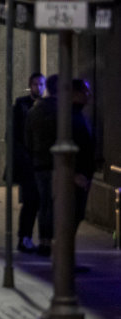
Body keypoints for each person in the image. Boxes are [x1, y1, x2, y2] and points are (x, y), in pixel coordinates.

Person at [26, 75, 58, 257]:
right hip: (53, 163)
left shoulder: (35, 110)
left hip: (38, 162)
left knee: (44, 203)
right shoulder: (59, 110)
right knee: (51, 204)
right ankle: (50, 240)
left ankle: (44, 240)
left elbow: (28, 139)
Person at [12, 73, 45, 253]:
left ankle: (39, 239)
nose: (38, 88)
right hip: (28, 163)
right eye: (35, 84)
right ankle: (24, 237)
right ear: (30, 85)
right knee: (30, 202)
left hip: (40, 163)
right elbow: (16, 134)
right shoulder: (22, 105)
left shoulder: (46, 105)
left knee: (39, 203)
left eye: (41, 84)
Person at [71, 78, 95, 236]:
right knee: (72, 215)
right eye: (85, 91)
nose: (88, 95)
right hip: (76, 176)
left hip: (83, 175)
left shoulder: (80, 116)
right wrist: (74, 174)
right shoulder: (72, 117)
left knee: (77, 215)